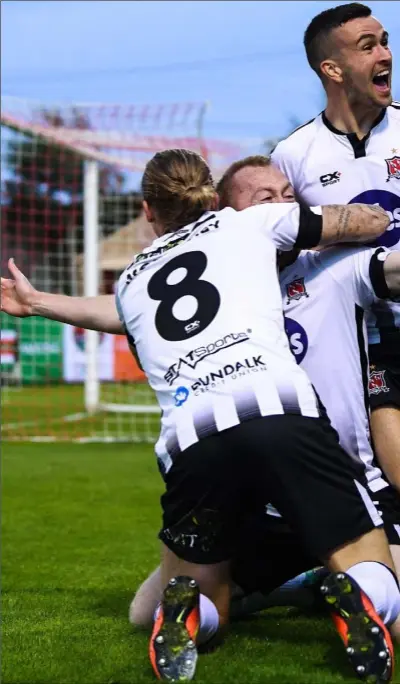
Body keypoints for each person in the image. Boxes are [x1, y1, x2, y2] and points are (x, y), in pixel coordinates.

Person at [1, 148, 398, 684]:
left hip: (193, 443)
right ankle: (361, 594)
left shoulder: (133, 280)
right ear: (214, 198)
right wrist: (364, 212)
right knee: (374, 567)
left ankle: (193, 615)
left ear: (147, 211)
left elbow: (114, 313)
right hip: (279, 414)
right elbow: (360, 220)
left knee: (192, 597)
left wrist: (39, 302)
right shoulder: (249, 226)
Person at [271, 2, 400, 493]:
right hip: (357, 343)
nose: (386, 54)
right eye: (368, 47)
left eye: (385, 41)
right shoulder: (293, 155)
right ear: (332, 68)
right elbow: (283, 248)